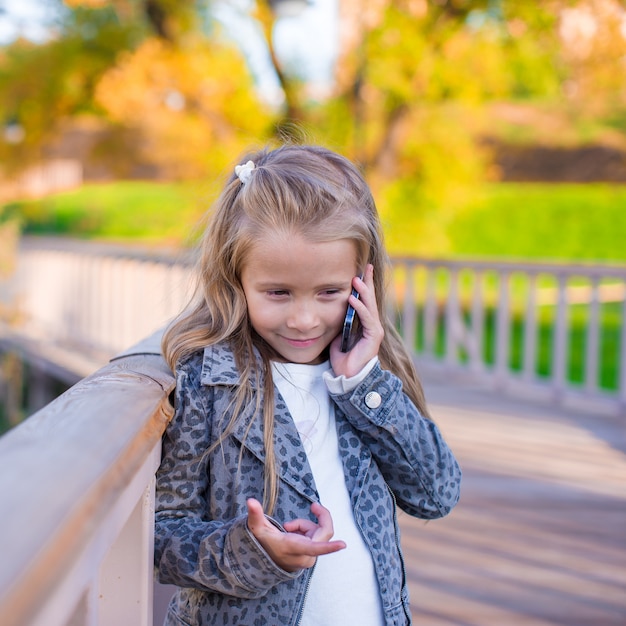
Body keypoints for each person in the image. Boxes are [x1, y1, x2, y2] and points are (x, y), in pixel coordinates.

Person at [154, 144, 461, 626]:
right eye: (278, 293)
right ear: (237, 281)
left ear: (363, 284)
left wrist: (364, 384)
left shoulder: (368, 381)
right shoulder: (207, 384)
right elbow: (162, 535)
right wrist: (252, 552)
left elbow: (436, 493)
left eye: (330, 293)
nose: (303, 319)